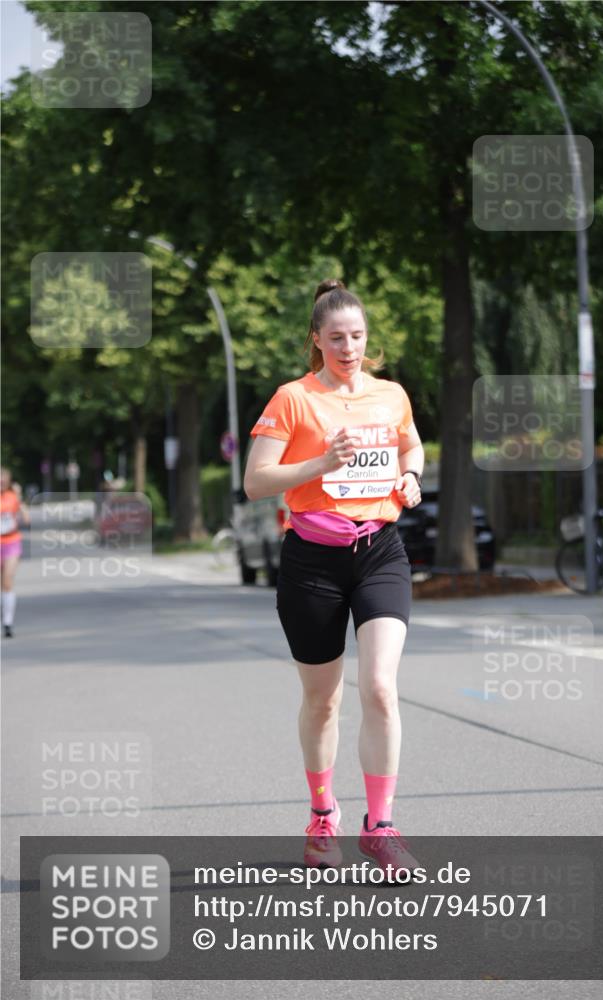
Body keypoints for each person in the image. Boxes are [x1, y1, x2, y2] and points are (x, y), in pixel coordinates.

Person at [244, 279, 424, 877]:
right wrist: (321, 463)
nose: (349, 347)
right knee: (323, 702)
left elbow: (411, 447)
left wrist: (411, 477)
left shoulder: (391, 395)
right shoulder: (293, 398)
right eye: (337, 337)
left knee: (379, 686)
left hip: (379, 550)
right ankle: (323, 813)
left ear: (367, 338)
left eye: (358, 336)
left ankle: (381, 826)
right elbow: (257, 480)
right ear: (316, 340)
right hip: (312, 561)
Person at [1, 467, 30, 638]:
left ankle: (7, 623)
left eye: (3, 479)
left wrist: (20, 499)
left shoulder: (13, 498)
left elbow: (26, 519)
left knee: (7, 581)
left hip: (11, 542)